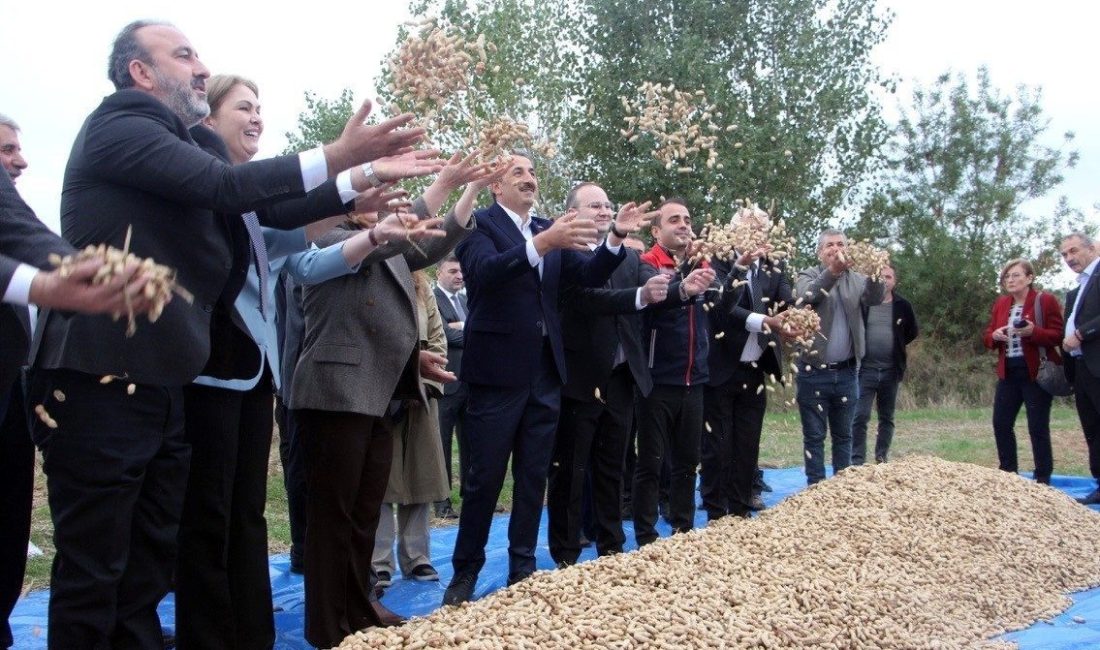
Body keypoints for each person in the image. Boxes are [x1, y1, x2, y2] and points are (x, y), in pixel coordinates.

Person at [27, 20, 428, 648]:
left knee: (148, 559)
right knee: (98, 564)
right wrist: (339, 156)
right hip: (100, 372)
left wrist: (359, 176)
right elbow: (226, 188)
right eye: (184, 55)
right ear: (140, 72)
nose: (202, 68)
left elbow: (264, 208)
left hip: (162, 375)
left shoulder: (188, 145)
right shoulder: (121, 124)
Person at [174, 74, 436, 649]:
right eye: (243, 107)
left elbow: (304, 258)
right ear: (206, 121)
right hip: (215, 370)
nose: (256, 117)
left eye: (260, 108)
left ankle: (257, 634)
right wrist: (355, 175)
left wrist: (372, 221)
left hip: (254, 373)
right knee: (216, 518)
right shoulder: (205, 188)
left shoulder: (254, 208)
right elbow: (309, 251)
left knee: (247, 515)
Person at [290, 154, 497, 648]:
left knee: (364, 512)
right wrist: (444, 182)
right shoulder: (326, 236)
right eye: (372, 191)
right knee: (334, 515)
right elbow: (390, 244)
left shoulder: (382, 244)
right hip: (335, 393)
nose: (383, 200)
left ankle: (359, 608)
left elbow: (429, 243)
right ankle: (327, 627)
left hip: (379, 394)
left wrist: (469, 190)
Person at [443, 153, 653, 606]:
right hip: (497, 372)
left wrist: (615, 236)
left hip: (546, 372)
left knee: (534, 474)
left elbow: (587, 274)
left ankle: (523, 566)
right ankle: (465, 571)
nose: (529, 178)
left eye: (533, 172)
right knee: (484, 478)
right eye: (517, 172)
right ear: (496, 185)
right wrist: (543, 245)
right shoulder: (479, 224)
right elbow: (484, 274)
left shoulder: (546, 227)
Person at [548, 182, 688, 565]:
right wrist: (640, 295)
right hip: (580, 378)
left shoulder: (628, 257)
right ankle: (566, 553)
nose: (605, 210)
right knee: (571, 469)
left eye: (607, 204)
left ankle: (611, 547)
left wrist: (684, 290)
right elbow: (589, 299)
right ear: (572, 214)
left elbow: (655, 288)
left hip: (621, 377)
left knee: (613, 466)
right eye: (595, 206)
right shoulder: (563, 251)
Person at [633, 198, 716, 546]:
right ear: (656, 231)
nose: (683, 224)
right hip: (657, 380)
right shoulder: (647, 263)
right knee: (651, 463)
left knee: (687, 462)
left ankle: (683, 531)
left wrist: (730, 271)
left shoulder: (703, 262)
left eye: (687, 219)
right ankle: (646, 536)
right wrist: (684, 278)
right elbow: (655, 301)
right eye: (674, 220)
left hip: (694, 379)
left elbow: (720, 305)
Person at [701, 205, 793, 520]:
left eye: (761, 229)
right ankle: (715, 512)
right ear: (734, 232)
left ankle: (740, 510)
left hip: (755, 369)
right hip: (720, 368)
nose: (756, 234)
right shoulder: (716, 261)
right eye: (749, 228)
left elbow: (786, 302)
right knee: (717, 446)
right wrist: (766, 321)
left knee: (747, 444)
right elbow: (721, 307)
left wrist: (795, 318)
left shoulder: (774, 266)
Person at [373, 270, 451, 587]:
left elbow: (438, 339)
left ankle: (417, 558)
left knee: (421, 477)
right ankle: (378, 562)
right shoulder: (373, 277)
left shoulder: (422, 287)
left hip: (420, 397)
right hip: (381, 394)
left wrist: (426, 386)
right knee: (380, 481)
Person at [794, 229, 884, 485]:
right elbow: (807, 297)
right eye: (830, 245)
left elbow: (875, 298)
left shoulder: (856, 278)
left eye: (841, 244)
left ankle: (841, 488)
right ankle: (815, 488)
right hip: (813, 371)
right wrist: (832, 272)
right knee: (814, 436)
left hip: (847, 372)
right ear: (820, 252)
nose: (836, 249)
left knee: (845, 436)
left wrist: (876, 273)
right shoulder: (808, 275)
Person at [982, 259, 1064, 484]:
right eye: (1007, 277)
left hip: (1035, 373)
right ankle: (1008, 474)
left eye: (1016, 275)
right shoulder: (1001, 303)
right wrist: (994, 336)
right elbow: (988, 336)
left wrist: (1033, 332)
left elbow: (1058, 335)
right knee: (1001, 423)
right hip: (1008, 373)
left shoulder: (1044, 300)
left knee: (1037, 427)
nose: (1010, 280)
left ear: (1029, 278)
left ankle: (1043, 478)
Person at [851, 265, 919, 465]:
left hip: (891, 370)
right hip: (865, 370)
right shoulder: (864, 303)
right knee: (860, 415)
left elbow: (912, 332)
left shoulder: (903, 306)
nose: (884, 280)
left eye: (888, 277)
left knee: (886, 417)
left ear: (894, 281)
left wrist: (896, 344)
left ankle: (881, 457)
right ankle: (857, 460)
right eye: (880, 277)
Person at [1060, 233, 1100, 503]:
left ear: (1092, 248)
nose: (1069, 258)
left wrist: (1082, 333)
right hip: (1081, 366)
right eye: (1064, 254)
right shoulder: (1077, 289)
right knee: (1092, 428)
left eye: (1073, 251)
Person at [434, 254, 467, 519]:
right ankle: (442, 503)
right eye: (453, 271)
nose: (459, 276)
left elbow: (479, 330)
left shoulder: (466, 301)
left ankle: (473, 495)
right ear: (439, 273)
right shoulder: (432, 298)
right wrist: (469, 328)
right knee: (441, 443)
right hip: (445, 384)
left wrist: (461, 326)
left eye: (461, 272)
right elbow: (444, 336)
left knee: (471, 443)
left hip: (471, 383)